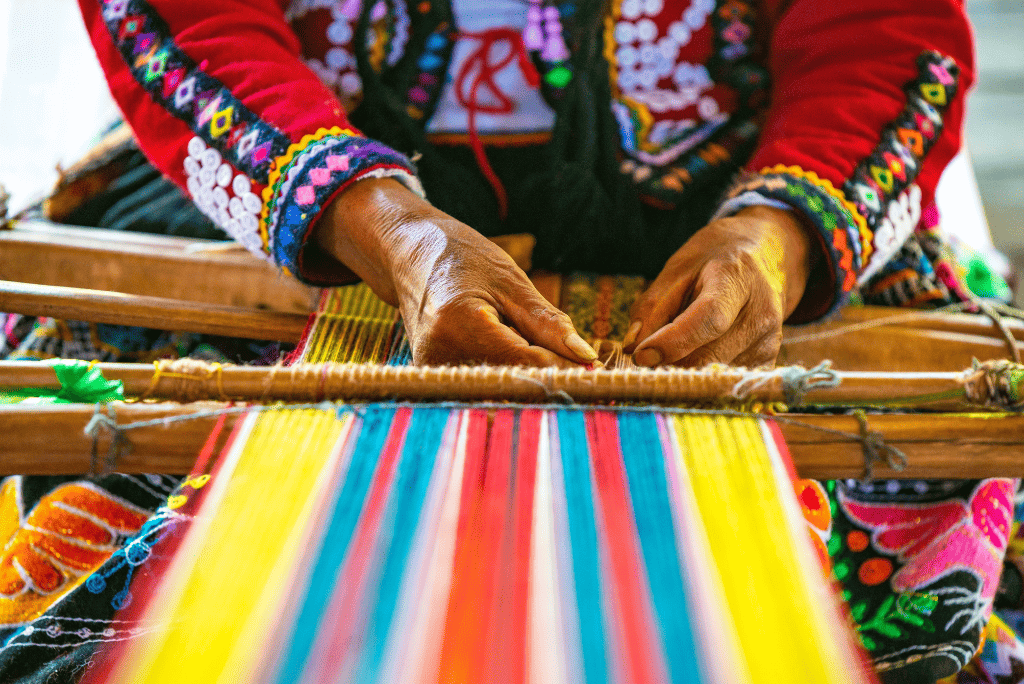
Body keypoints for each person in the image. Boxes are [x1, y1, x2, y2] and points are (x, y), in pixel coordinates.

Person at [58, 2, 1022, 684]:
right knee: (113, 529)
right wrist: (385, 228)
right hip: (303, 213)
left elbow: (886, 31)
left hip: (747, 203)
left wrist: (777, 235)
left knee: (913, 546)